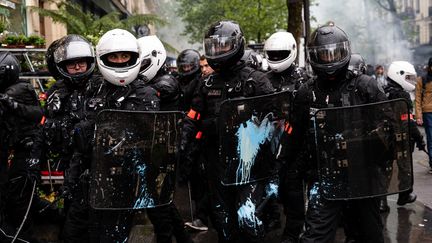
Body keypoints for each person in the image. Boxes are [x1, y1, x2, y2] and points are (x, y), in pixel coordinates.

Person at [287, 24, 386, 243]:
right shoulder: (306, 92)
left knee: (369, 235)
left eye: (334, 53)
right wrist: (287, 172)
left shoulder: (365, 86)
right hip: (324, 176)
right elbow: (294, 136)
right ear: (313, 57)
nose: (329, 59)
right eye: (323, 54)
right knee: (315, 236)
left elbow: (389, 126)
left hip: (362, 175)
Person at [182, 20, 274, 243]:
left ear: (237, 44)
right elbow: (193, 116)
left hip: (249, 165)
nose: (219, 50)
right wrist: (182, 142)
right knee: (224, 223)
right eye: (215, 46)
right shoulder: (206, 83)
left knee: (249, 222)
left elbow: (274, 122)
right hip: (217, 165)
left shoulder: (257, 80)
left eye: (224, 45)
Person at [137, 35, 193, 243]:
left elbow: (155, 94)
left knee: (158, 207)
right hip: (156, 150)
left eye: (141, 63)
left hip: (163, 152)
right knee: (162, 203)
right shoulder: (153, 82)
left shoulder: (165, 83)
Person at [42, 34, 97, 242]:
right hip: (68, 161)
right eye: (72, 63)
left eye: (81, 62)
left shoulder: (101, 86)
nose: (77, 67)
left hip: (96, 162)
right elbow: (47, 124)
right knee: (70, 215)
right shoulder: (56, 90)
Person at [263, 31, 306, 241]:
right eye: (273, 53)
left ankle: (293, 231)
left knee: (292, 188)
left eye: (281, 53)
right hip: (268, 143)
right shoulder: (263, 80)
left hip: (296, 145)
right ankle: (271, 218)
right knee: (267, 185)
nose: (277, 57)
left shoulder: (303, 79)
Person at [0, 51, 44, 242]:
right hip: (16, 150)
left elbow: (37, 114)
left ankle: (24, 237)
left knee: (19, 200)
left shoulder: (17, 90)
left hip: (27, 151)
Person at [379, 61, 422, 212]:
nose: (411, 82)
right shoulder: (402, 96)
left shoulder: (383, 91)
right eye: (408, 78)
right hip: (400, 138)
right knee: (405, 168)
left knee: (386, 168)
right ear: (399, 75)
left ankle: (381, 201)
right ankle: (404, 195)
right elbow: (408, 121)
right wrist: (419, 138)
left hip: (385, 137)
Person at [415, 57, 432, 173]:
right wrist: (419, 116)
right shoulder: (422, 80)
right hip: (428, 113)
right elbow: (417, 99)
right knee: (431, 139)